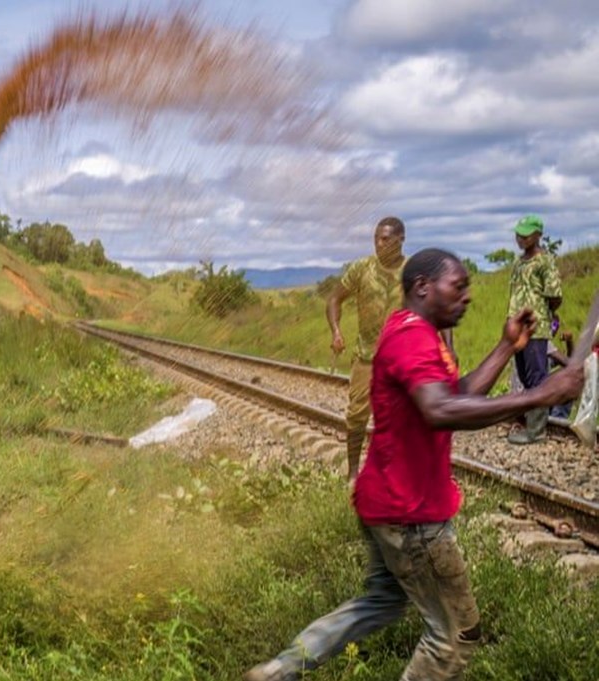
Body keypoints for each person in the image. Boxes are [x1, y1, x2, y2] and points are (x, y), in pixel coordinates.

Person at [245, 249, 583, 681]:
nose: (467, 296)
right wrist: (541, 395)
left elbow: (454, 394)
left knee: (382, 600)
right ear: (423, 287)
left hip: (387, 500)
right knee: (455, 636)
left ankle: (278, 671)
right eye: (457, 286)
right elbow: (439, 411)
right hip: (412, 515)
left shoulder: (416, 332)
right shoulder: (412, 338)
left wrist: (505, 347)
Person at [326, 216, 406, 481]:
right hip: (366, 356)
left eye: (385, 239)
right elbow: (335, 298)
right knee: (357, 414)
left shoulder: (412, 271)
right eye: (375, 239)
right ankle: (352, 473)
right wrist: (336, 330)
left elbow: (436, 307)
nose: (378, 244)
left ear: (400, 240)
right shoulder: (362, 268)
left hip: (400, 358)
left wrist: (446, 346)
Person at [506, 214, 563, 444]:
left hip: (535, 329)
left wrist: (543, 315)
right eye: (519, 234)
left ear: (538, 235)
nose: (521, 238)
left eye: (526, 234)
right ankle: (530, 423)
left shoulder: (544, 261)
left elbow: (554, 295)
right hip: (517, 328)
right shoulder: (518, 263)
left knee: (537, 377)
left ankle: (537, 431)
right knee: (524, 376)